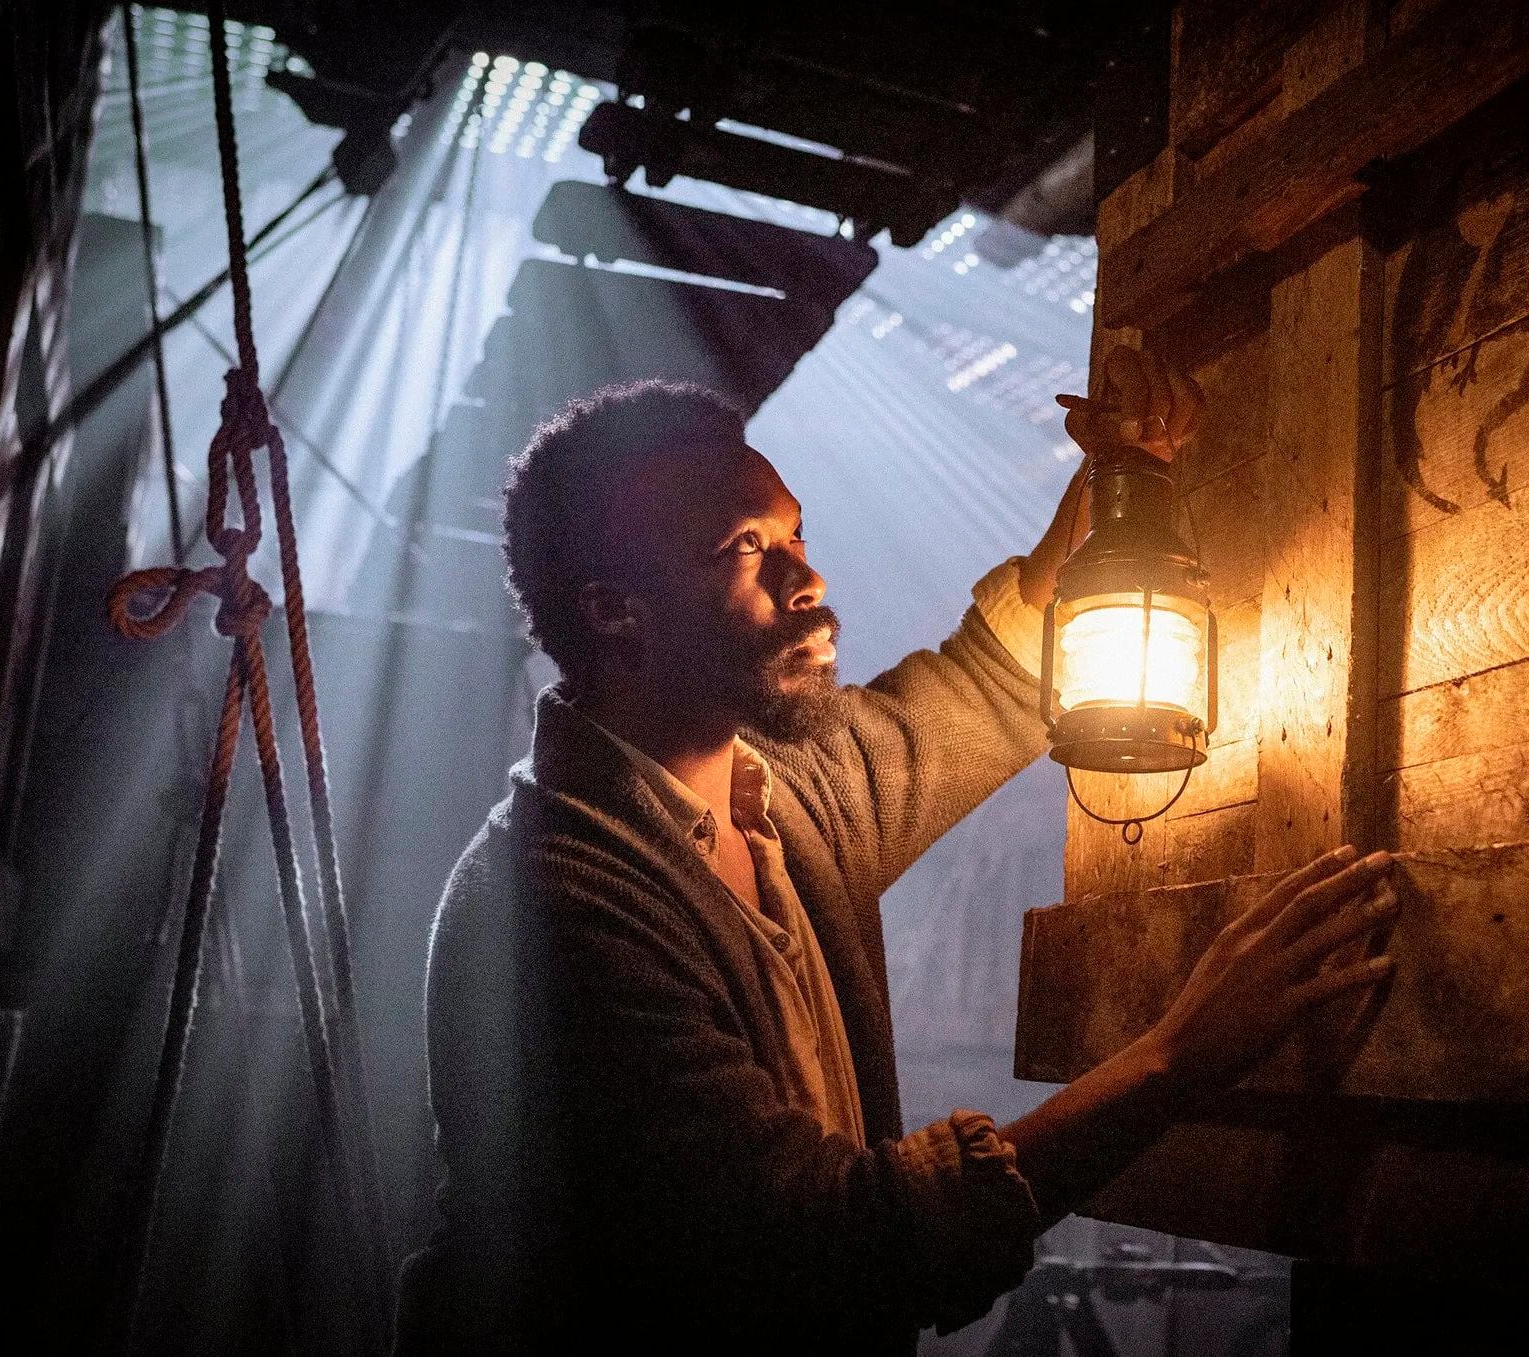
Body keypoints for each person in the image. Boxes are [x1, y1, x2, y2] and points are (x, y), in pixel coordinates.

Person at [395, 348, 1398, 1353]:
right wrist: (1180, 1056)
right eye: (743, 548)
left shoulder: (777, 799)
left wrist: (1108, 496)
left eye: (796, 532)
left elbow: (969, 695)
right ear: (615, 608)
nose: (807, 576)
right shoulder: (555, 911)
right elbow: (831, 1243)